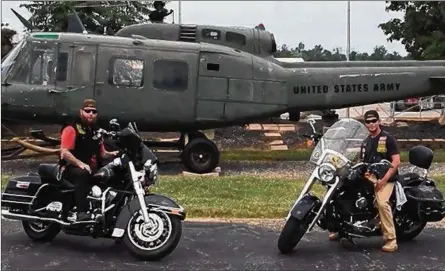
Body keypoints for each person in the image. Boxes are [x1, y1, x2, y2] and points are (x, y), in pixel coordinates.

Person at [328, 110, 401, 252]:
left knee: (382, 202)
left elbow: (396, 161)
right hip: (370, 177)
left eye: (374, 121)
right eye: (368, 121)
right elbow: (362, 161)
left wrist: (384, 180)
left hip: (386, 177)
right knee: (344, 191)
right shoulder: (367, 141)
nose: (372, 124)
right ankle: (340, 228)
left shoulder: (387, 138)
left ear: (379, 121)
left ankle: (391, 239)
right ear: (365, 124)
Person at [59, 99, 119, 221]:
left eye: (94, 111)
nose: (91, 114)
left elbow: (102, 154)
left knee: (111, 173)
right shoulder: (71, 128)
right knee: (84, 173)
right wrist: (80, 163)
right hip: (70, 168)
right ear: (81, 111)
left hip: (89, 168)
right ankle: (82, 212)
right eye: (87, 111)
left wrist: (116, 154)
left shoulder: (95, 130)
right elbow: (64, 152)